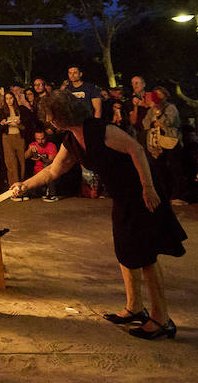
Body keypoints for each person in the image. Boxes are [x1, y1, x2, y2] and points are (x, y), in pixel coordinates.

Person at [9, 89, 186, 340]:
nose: (49, 122)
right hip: (123, 197)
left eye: (51, 116)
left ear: (62, 113)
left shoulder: (99, 130)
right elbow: (52, 172)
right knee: (126, 251)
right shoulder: (71, 140)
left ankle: (162, 319)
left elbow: (136, 149)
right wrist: (24, 185)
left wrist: (148, 188)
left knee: (146, 255)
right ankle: (135, 307)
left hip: (141, 193)